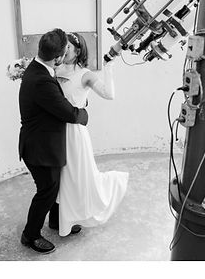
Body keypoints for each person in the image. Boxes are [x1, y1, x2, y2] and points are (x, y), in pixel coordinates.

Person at [18, 29, 90, 254]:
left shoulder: (40, 67)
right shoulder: (41, 80)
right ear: (57, 58)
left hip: (44, 142)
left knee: (55, 185)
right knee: (47, 190)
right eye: (65, 51)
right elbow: (68, 113)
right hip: (39, 148)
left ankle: (56, 221)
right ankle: (30, 235)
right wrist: (84, 113)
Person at [53, 32, 129, 237]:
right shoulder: (54, 67)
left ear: (77, 51)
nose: (63, 50)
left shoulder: (85, 74)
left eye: (67, 47)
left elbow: (109, 94)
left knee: (77, 177)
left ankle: (113, 184)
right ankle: (63, 219)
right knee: (60, 178)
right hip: (55, 130)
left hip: (75, 132)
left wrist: (109, 68)